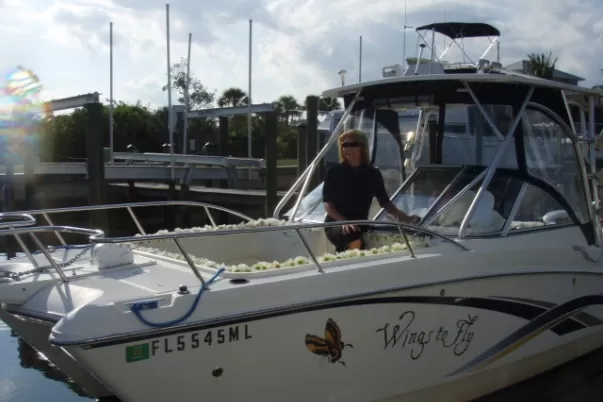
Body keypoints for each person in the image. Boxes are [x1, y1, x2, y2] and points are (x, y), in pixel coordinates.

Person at [322, 129, 419, 252]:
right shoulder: (334, 172)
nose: (348, 148)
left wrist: (406, 218)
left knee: (355, 233)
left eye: (353, 144)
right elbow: (327, 204)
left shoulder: (373, 173)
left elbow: (385, 202)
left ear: (362, 147)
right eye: (345, 145)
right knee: (352, 233)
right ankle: (349, 260)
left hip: (361, 223)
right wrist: (344, 222)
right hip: (335, 223)